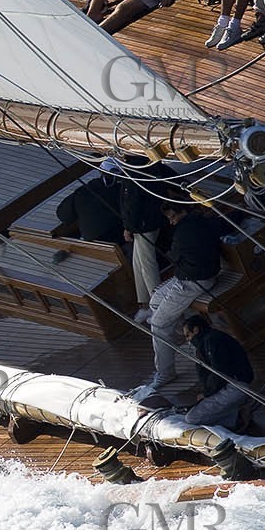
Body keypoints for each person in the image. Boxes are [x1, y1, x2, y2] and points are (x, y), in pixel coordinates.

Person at [130, 202, 222, 400]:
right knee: (155, 301)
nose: (171, 222)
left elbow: (174, 256)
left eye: (173, 217)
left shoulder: (183, 233)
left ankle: (166, 372)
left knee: (158, 323)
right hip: (186, 277)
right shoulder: (201, 221)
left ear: (183, 211)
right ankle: (185, 335)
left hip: (194, 281)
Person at [112, 157, 167, 322]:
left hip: (144, 225)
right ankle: (145, 304)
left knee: (147, 265)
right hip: (149, 222)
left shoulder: (132, 175)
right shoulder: (148, 167)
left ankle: (158, 306)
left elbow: (132, 204)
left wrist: (129, 227)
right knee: (138, 263)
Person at [180, 315, 254, 429]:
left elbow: (220, 372)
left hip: (235, 386)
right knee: (195, 410)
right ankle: (236, 414)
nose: (188, 340)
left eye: (188, 335)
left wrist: (207, 394)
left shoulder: (213, 341)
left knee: (192, 418)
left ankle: (238, 416)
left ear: (195, 330)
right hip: (231, 385)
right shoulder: (209, 339)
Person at [56, 166, 124, 244]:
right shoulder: (123, 192)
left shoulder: (83, 191)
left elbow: (63, 216)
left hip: (92, 241)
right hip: (119, 239)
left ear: (101, 172)